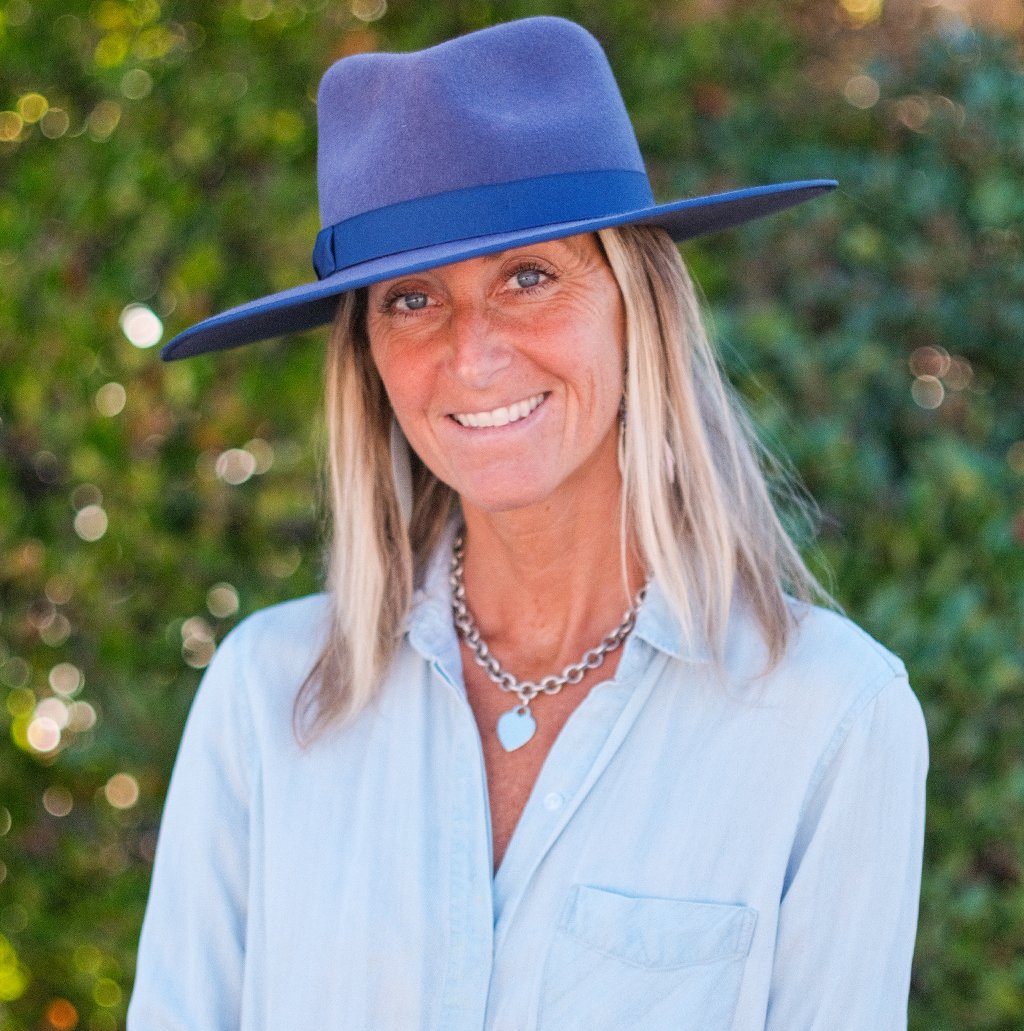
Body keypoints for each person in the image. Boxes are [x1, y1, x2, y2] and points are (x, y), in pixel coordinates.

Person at [127, 16, 928, 1031]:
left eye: (530, 276)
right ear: (366, 356)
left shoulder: (832, 717)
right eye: (412, 297)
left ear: (638, 307)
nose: (474, 354)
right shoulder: (265, 697)